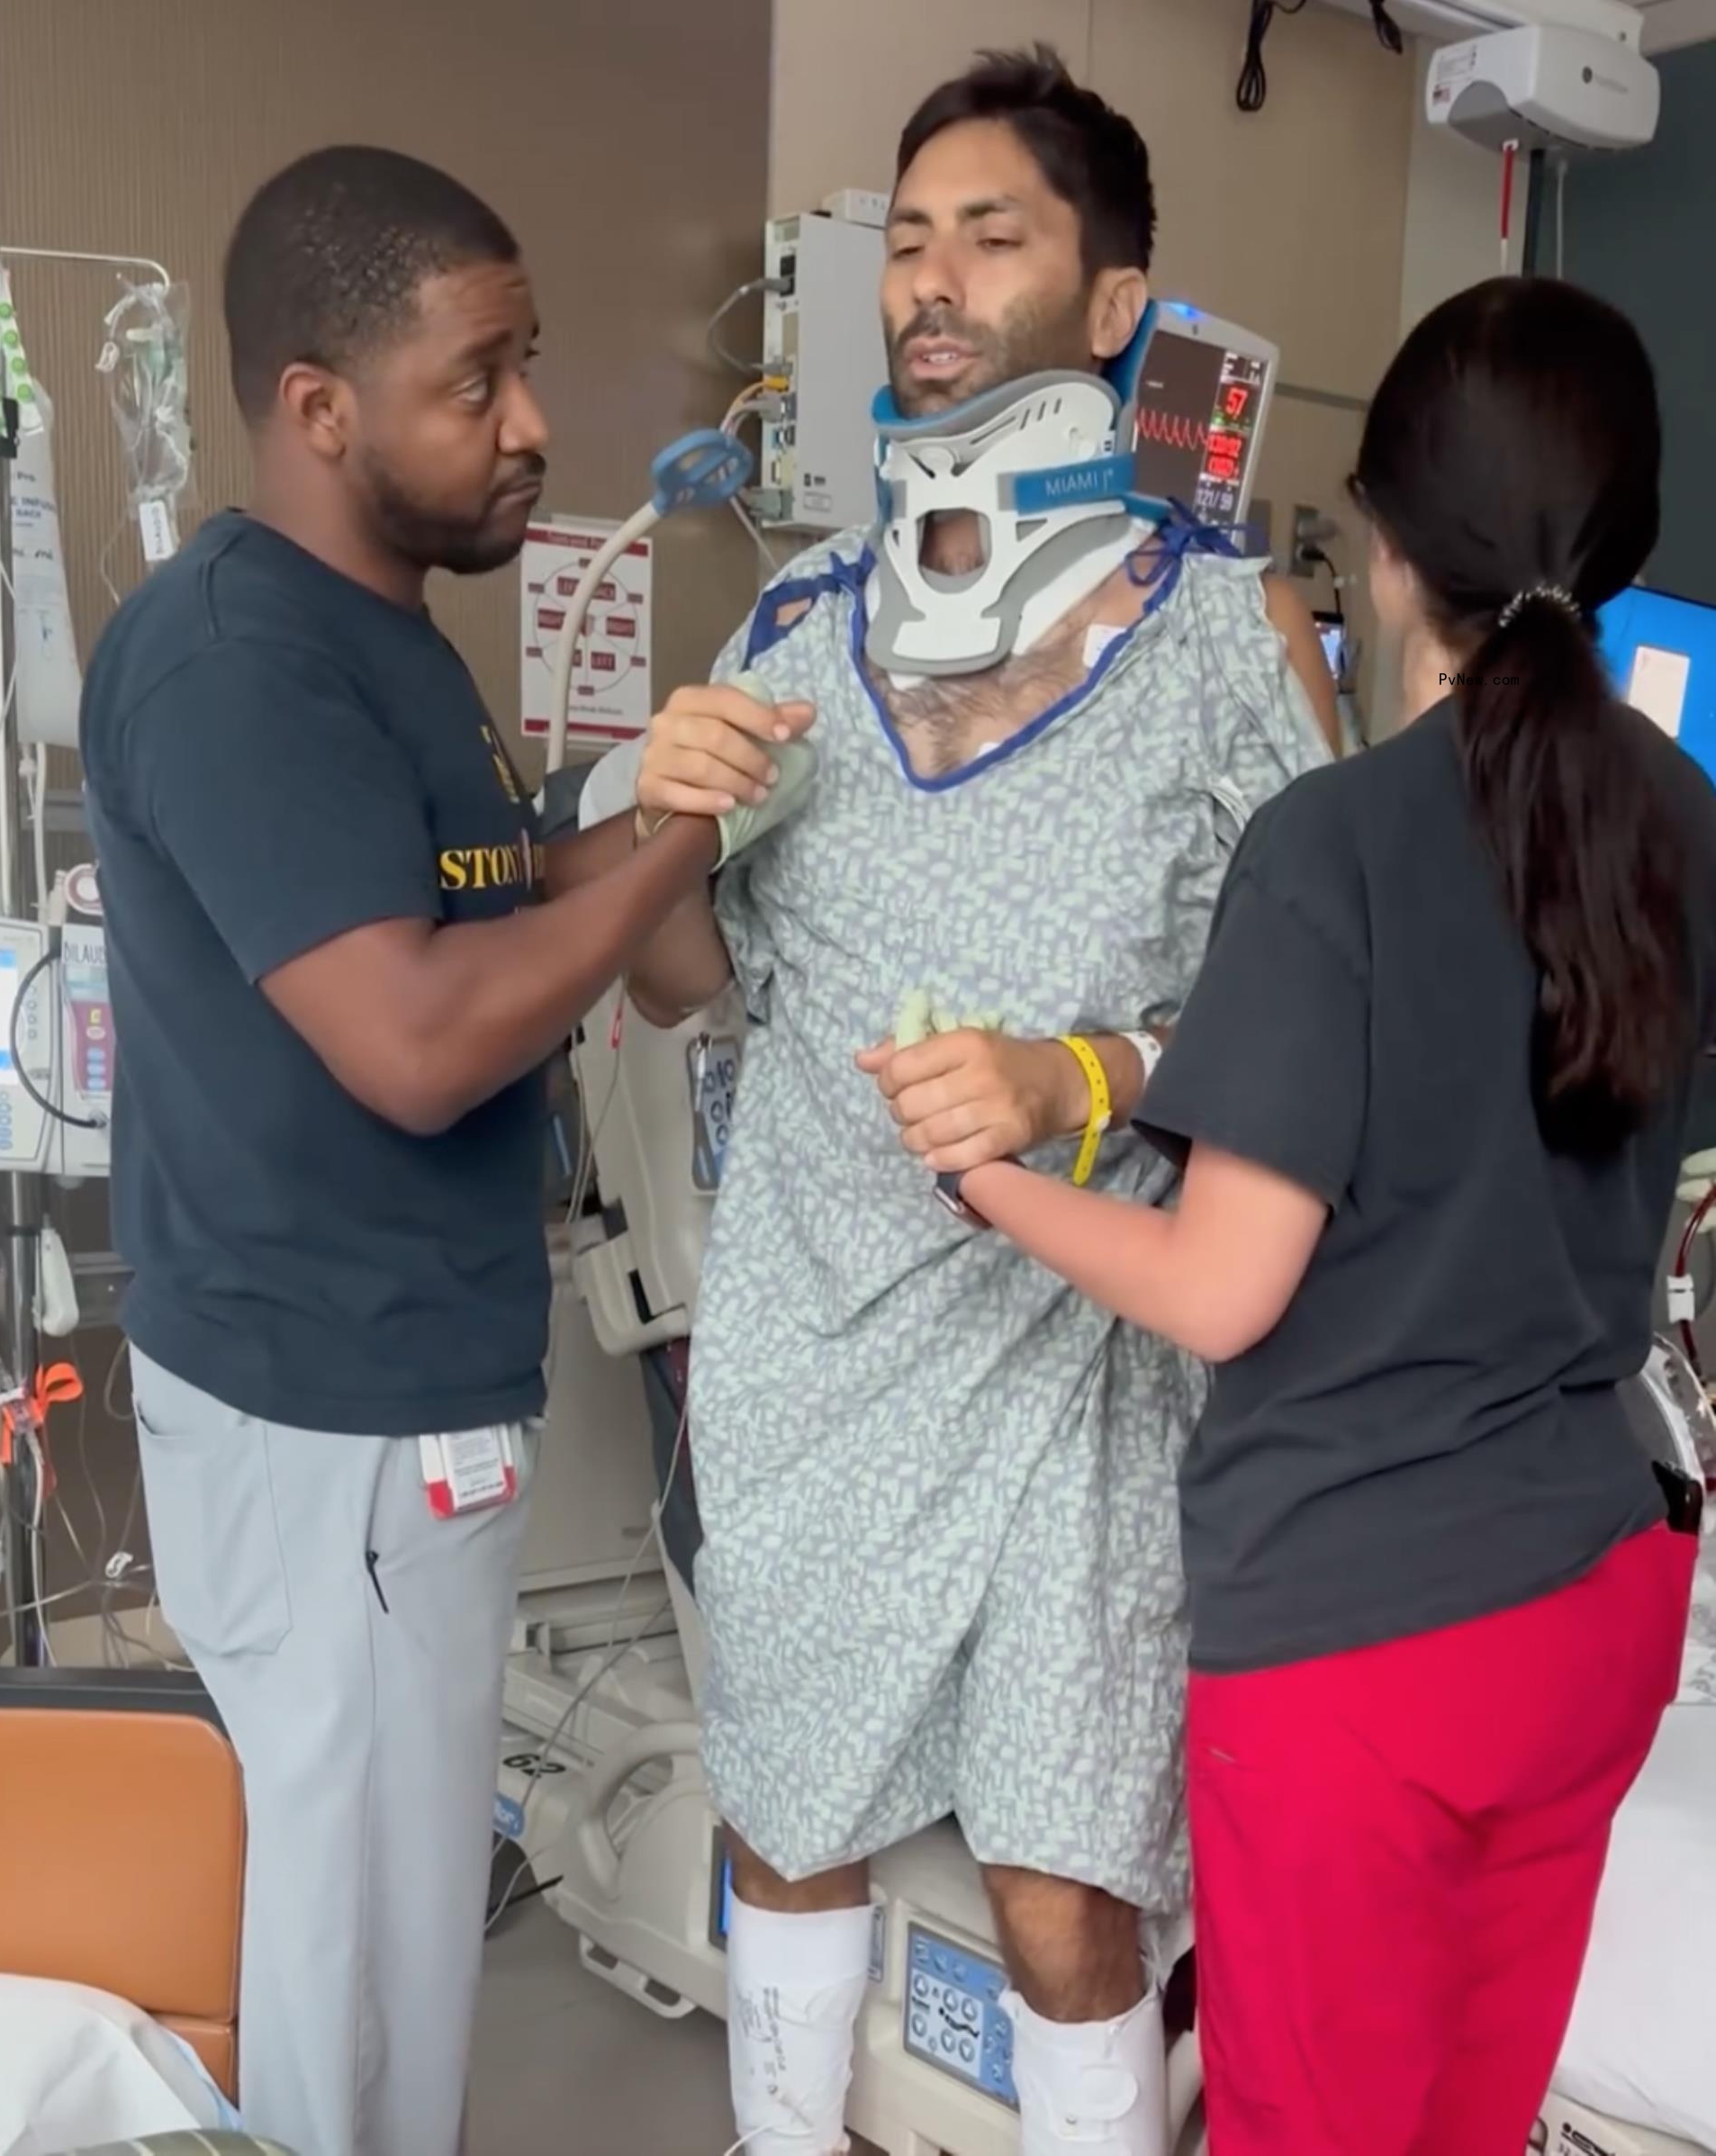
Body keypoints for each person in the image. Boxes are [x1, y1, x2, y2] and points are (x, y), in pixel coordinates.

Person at [907, 275, 1715, 2156]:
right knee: (1463, 2110)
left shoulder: (1340, 844)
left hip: (1372, 1644)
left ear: (1387, 545)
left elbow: (1219, 1287)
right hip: (1596, 1601)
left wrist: (994, 1176)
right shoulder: (1685, 823)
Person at [627, 49, 1339, 2156]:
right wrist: (662, 833)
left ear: (1116, 303)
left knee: (1063, 1898)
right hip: (819, 1337)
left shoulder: (1228, 634)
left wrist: (1084, 1074)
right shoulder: (796, 627)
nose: (929, 281)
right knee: (796, 1825)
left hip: (1081, 1358)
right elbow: (689, 989)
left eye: (993, 235)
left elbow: (1325, 1013)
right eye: (908, 239)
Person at [80, 147, 797, 2156]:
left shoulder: (384, 635)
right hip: (337, 1413)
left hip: (395, 1392)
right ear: (319, 408)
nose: (536, 426)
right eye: (479, 382)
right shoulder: (241, 662)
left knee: (378, 1921)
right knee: (359, 1963)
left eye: (532, 365)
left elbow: (476, 902)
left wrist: (642, 795)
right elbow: (410, 1035)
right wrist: (675, 833)